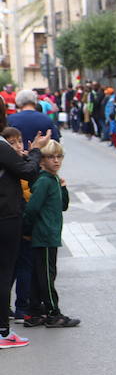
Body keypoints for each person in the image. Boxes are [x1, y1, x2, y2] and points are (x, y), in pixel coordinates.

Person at [22, 140, 79, 328]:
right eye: (50, 157)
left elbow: (63, 206)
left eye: (59, 156)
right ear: (41, 160)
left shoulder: (54, 179)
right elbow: (32, 209)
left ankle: (34, 313)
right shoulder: (44, 181)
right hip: (44, 235)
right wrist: (28, 229)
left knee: (41, 275)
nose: (56, 161)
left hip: (50, 235)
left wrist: (63, 187)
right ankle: (53, 313)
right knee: (47, 276)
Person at [0, 120, 46, 348]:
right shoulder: (0, 145)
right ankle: (2, 333)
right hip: (5, 215)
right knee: (5, 273)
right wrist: (35, 151)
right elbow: (27, 171)